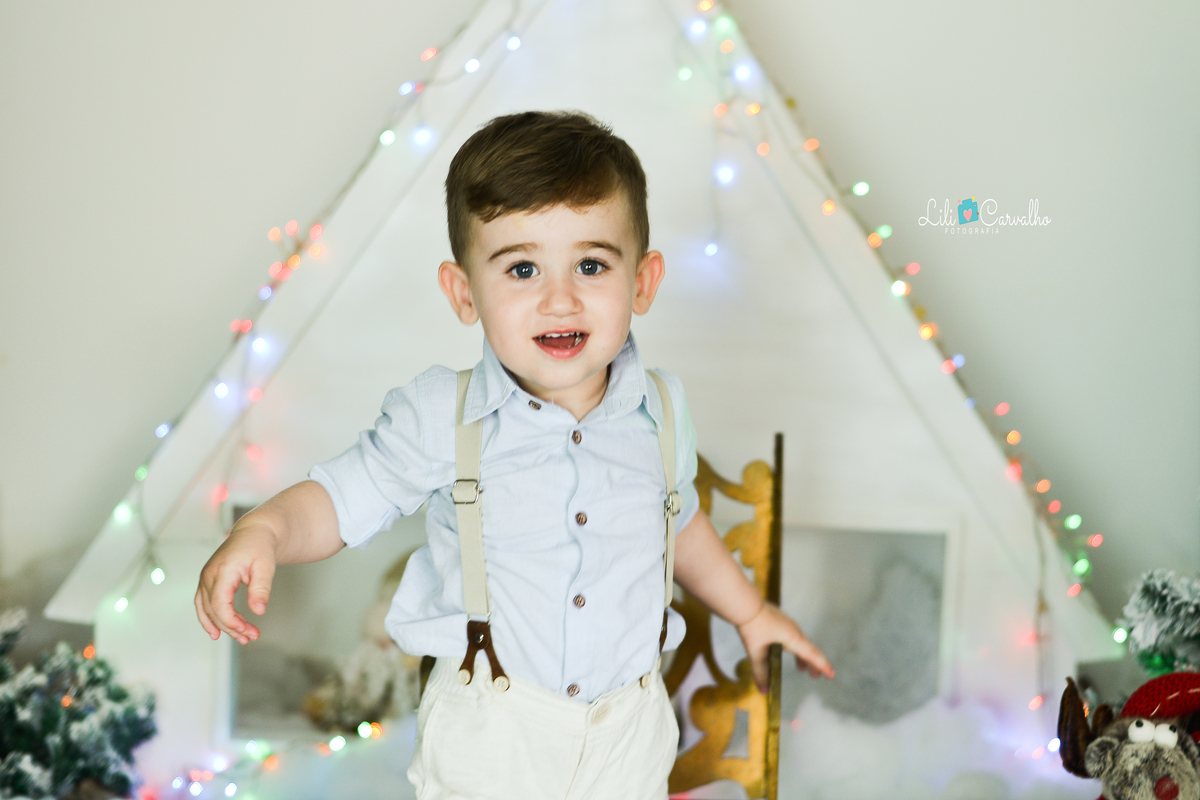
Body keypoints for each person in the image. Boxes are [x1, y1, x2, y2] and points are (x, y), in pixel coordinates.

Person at [194, 110, 833, 800]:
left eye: (591, 264)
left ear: (643, 283)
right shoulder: (444, 414)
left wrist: (748, 611)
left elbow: (677, 524)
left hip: (629, 726)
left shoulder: (662, 410)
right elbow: (341, 500)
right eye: (522, 268)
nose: (560, 298)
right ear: (465, 293)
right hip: (494, 731)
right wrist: (262, 530)